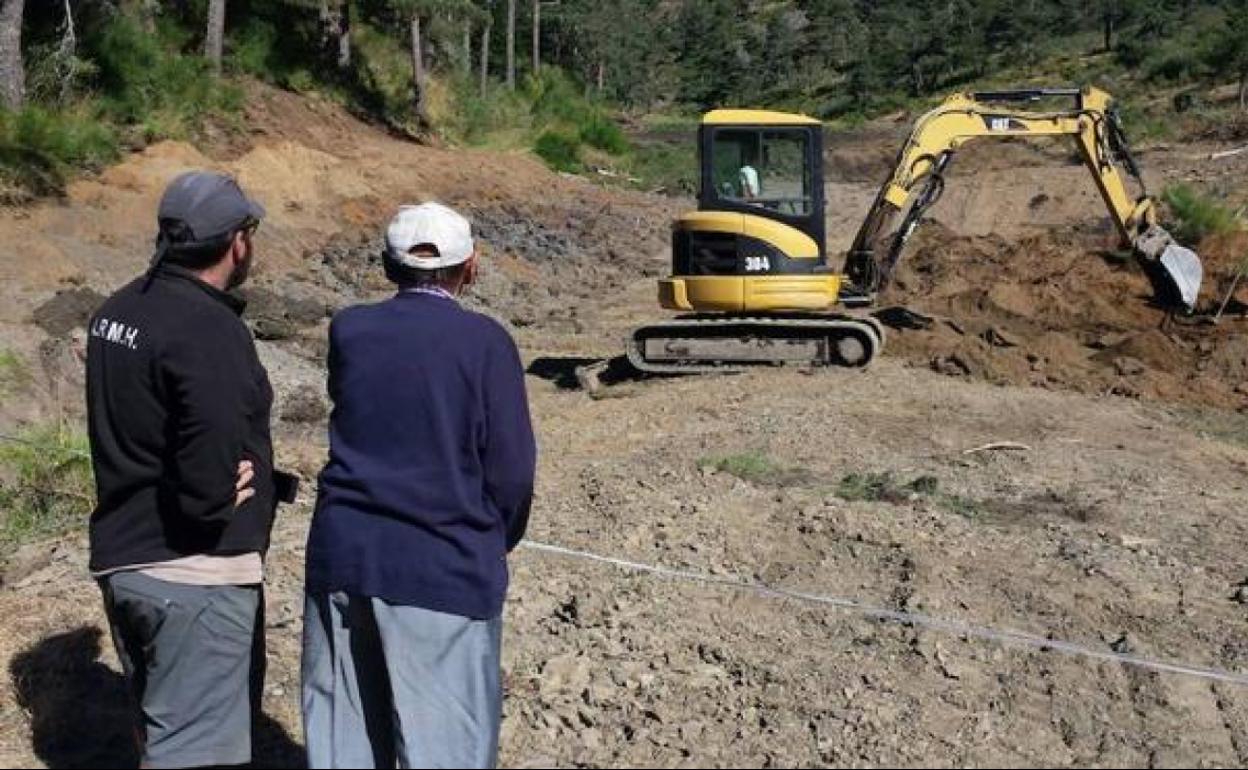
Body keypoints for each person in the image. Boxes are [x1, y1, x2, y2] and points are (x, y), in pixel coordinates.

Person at [302, 202, 536, 769]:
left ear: (388, 266)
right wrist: (489, 538)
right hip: (442, 568)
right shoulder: (485, 342)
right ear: (471, 267)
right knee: (443, 750)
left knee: (344, 745)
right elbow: (512, 470)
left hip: (343, 556)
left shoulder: (350, 329)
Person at [86, 170, 280, 768]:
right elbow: (207, 461)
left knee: (159, 727)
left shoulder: (117, 310)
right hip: (192, 575)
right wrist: (216, 494)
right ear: (237, 243)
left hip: (126, 558)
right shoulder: (209, 329)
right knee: (195, 753)